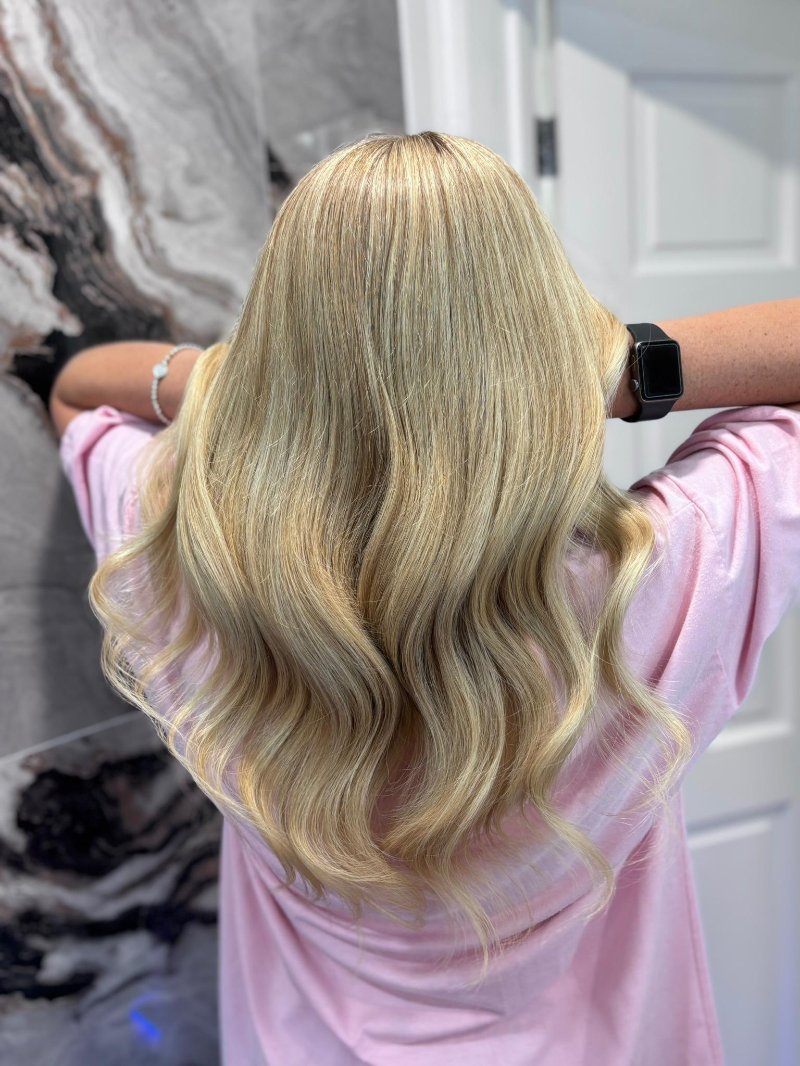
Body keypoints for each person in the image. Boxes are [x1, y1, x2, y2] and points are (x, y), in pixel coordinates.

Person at [49, 131, 800, 1066]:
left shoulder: (181, 556)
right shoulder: (666, 574)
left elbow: (75, 389)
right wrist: (603, 373)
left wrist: (241, 389)